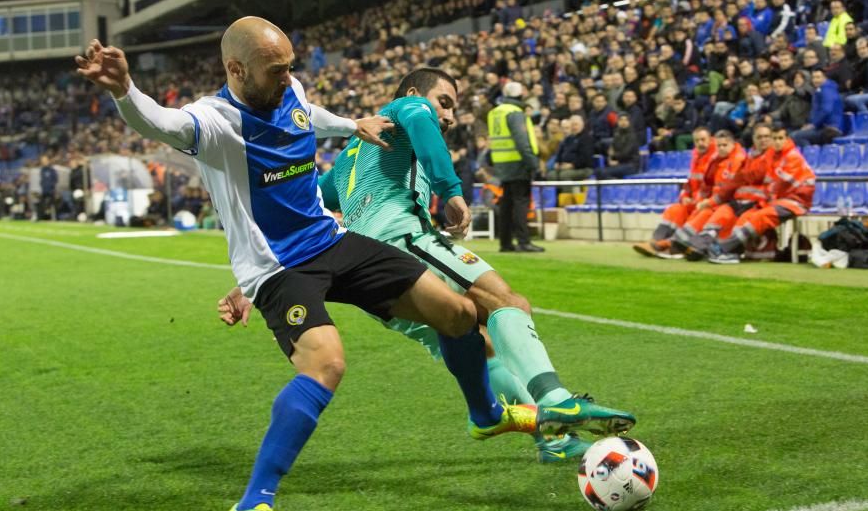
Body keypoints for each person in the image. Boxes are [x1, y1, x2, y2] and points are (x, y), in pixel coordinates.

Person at [74, 19, 575, 511]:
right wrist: (124, 90)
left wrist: (350, 124)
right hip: (278, 269)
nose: (288, 76)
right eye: (275, 69)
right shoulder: (214, 122)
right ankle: (252, 508)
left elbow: (305, 113)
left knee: (457, 312)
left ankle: (487, 414)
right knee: (327, 362)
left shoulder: (288, 87)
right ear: (236, 70)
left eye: (290, 65)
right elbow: (160, 123)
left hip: (332, 242)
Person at [225, 67, 635, 463]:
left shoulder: (349, 157)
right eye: (444, 102)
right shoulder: (402, 110)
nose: (449, 115)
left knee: (479, 344)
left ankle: (554, 440)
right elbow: (421, 122)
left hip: (365, 276)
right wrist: (450, 191)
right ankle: (556, 402)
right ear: (414, 95)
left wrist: (250, 281)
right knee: (504, 300)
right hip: (399, 245)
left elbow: (300, 212)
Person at [708, 126, 816, 264]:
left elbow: (781, 185)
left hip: (795, 201)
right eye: (774, 138)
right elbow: (760, 179)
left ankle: (723, 248)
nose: (776, 142)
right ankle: (728, 250)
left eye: (780, 138)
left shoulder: (791, 156)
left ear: (787, 139)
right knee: (750, 217)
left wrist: (765, 200)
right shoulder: (773, 156)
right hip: (780, 201)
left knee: (759, 217)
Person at [679, 124, 776, 259]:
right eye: (759, 137)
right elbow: (734, 183)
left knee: (740, 222)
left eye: (766, 136)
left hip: (759, 203)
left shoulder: (773, 158)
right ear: (753, 139)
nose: (763, 140)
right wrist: (712, 200)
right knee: (720, 215)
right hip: (740, 201)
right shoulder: (750, 158)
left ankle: (728, 252)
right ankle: (697, 247)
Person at [632, 126, 714, 257]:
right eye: (697, 140)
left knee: (697, 215)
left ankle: (666, 245)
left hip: (707, 205)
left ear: (710, 140)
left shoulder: (715, 159)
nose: (700, 143)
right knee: (675, 209)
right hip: (695, 203)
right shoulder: (696, 158)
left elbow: (716, 188)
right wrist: (685, 196)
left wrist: (702, 201)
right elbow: (690, 183)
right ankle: (655, 241)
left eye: (703, 140)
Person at [487, 82, 544, 253]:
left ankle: (505, 242)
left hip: (501, 162)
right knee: (520, 202)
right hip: (518, 162)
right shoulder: (515, 113)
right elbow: (522, 141)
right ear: (520, 95)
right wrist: (534, 164)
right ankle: (523, 241)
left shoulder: (495, 112)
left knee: (507, 203)